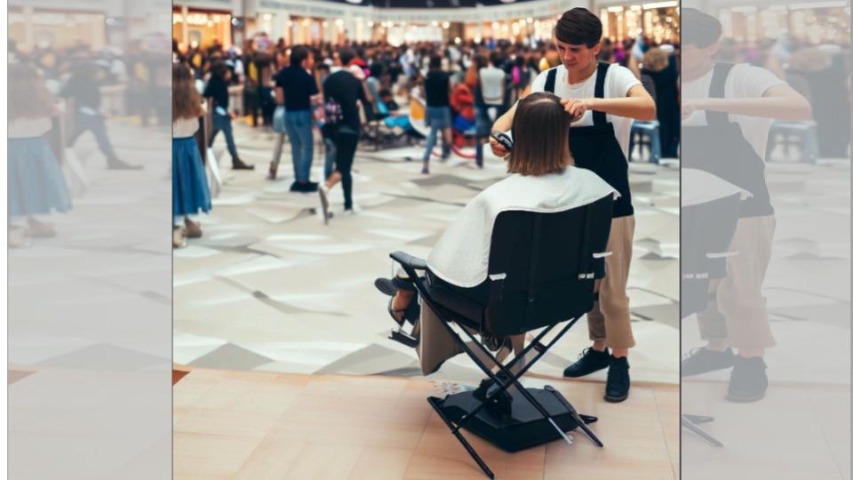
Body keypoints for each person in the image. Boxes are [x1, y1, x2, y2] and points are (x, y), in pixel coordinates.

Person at [376, 93, 617, 375]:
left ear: (520, 136)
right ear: (564, 132)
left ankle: (403, 298)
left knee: (422, 275)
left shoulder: (500, 201)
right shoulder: (594, 187)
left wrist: (419, 273)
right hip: (566, 300)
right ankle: (406, 292)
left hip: (500, 307)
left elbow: (448, 262)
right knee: (503, 279)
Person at [491, 7, 656, 403]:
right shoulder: (547, 80)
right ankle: (597, 350)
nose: (567, 57)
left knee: (613, 291)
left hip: (611, 202)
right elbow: (504, 122)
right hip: (564, 203)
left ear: (596, 47)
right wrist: (499, 139)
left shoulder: (615, 77)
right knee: (583, 285)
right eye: (561, 48)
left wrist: (593, 105)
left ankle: (619, 361)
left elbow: (648, 108)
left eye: (576, 50)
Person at [679, 8, 811, 402]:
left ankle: (751, 361)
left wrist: (707, 104)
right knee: (701, 282)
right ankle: (716, 348)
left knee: (741, 287)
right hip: (692, 202)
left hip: (743, 203)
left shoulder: (742, 77)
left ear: (712, 46)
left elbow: (798, 108)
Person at [8, 62, 73, 248]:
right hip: (35, 148)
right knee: (32, 186)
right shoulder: (41, 96)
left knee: (13, 189)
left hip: (9, 147)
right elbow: (56, 113)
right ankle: (16, 228)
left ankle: (21, 224)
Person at [61, 58, 142, 170]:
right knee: (101, 138)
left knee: (71, 138)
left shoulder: (75, 79)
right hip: (90, 114)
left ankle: (59, 156)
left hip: (80, 113)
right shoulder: (89, 81)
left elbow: (64, 93)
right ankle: (112, 159)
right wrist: (99, 111)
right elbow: (93, 100)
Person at [317, 48, 368, 223]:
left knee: (343, 163)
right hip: (350, 126)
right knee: (344, 166)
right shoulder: (354, 81)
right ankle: (326, 186)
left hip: (333, 127)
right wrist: (362, 81)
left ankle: (348, 204)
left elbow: (325, 101)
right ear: (352, 60)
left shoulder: (329, 80)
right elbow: (366, 100)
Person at [172, 63, 212, 249]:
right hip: (188, 145)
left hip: (172, 145)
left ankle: (177, 226)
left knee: (175, 186)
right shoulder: (192, 96)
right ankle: (188, 221)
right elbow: (202, 114)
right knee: (187, 183)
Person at [269, 45, 320, 192]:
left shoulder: (283, 74)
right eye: (310, 58)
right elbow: (314, 96)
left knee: (296, 147)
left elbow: (279, 97)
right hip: (303, 113)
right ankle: (303, 180)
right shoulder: (307, 76)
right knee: (307, 147)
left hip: (288, 112)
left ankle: (298, 177)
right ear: (303, 60)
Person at [204, 62, 253, 170]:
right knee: (225, 137)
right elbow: (220, 101)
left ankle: (203, 155)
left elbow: (207, 95)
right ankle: (235, 159)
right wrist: (227, 112)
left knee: (211, 137)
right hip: (220, 115)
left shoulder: (215, 82)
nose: (229, 73)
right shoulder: (219, 84)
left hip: (218, 114)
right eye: (227, 71)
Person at [641, 47, 680, 158]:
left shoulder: (645, 73)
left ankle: (660, 151)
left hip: (655, 106)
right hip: (671, 104)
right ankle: (671, 152)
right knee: (674, 129)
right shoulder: (670, 70)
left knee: (662, 129)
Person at [421, 55, 452, 174]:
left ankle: (427, 158)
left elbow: (423, 92)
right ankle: (445, 151)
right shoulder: (445, 76)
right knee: (445, 131)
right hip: (443, 106)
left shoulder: (427, 76)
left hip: (430, 107)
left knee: (433, 132)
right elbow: (450, 90)